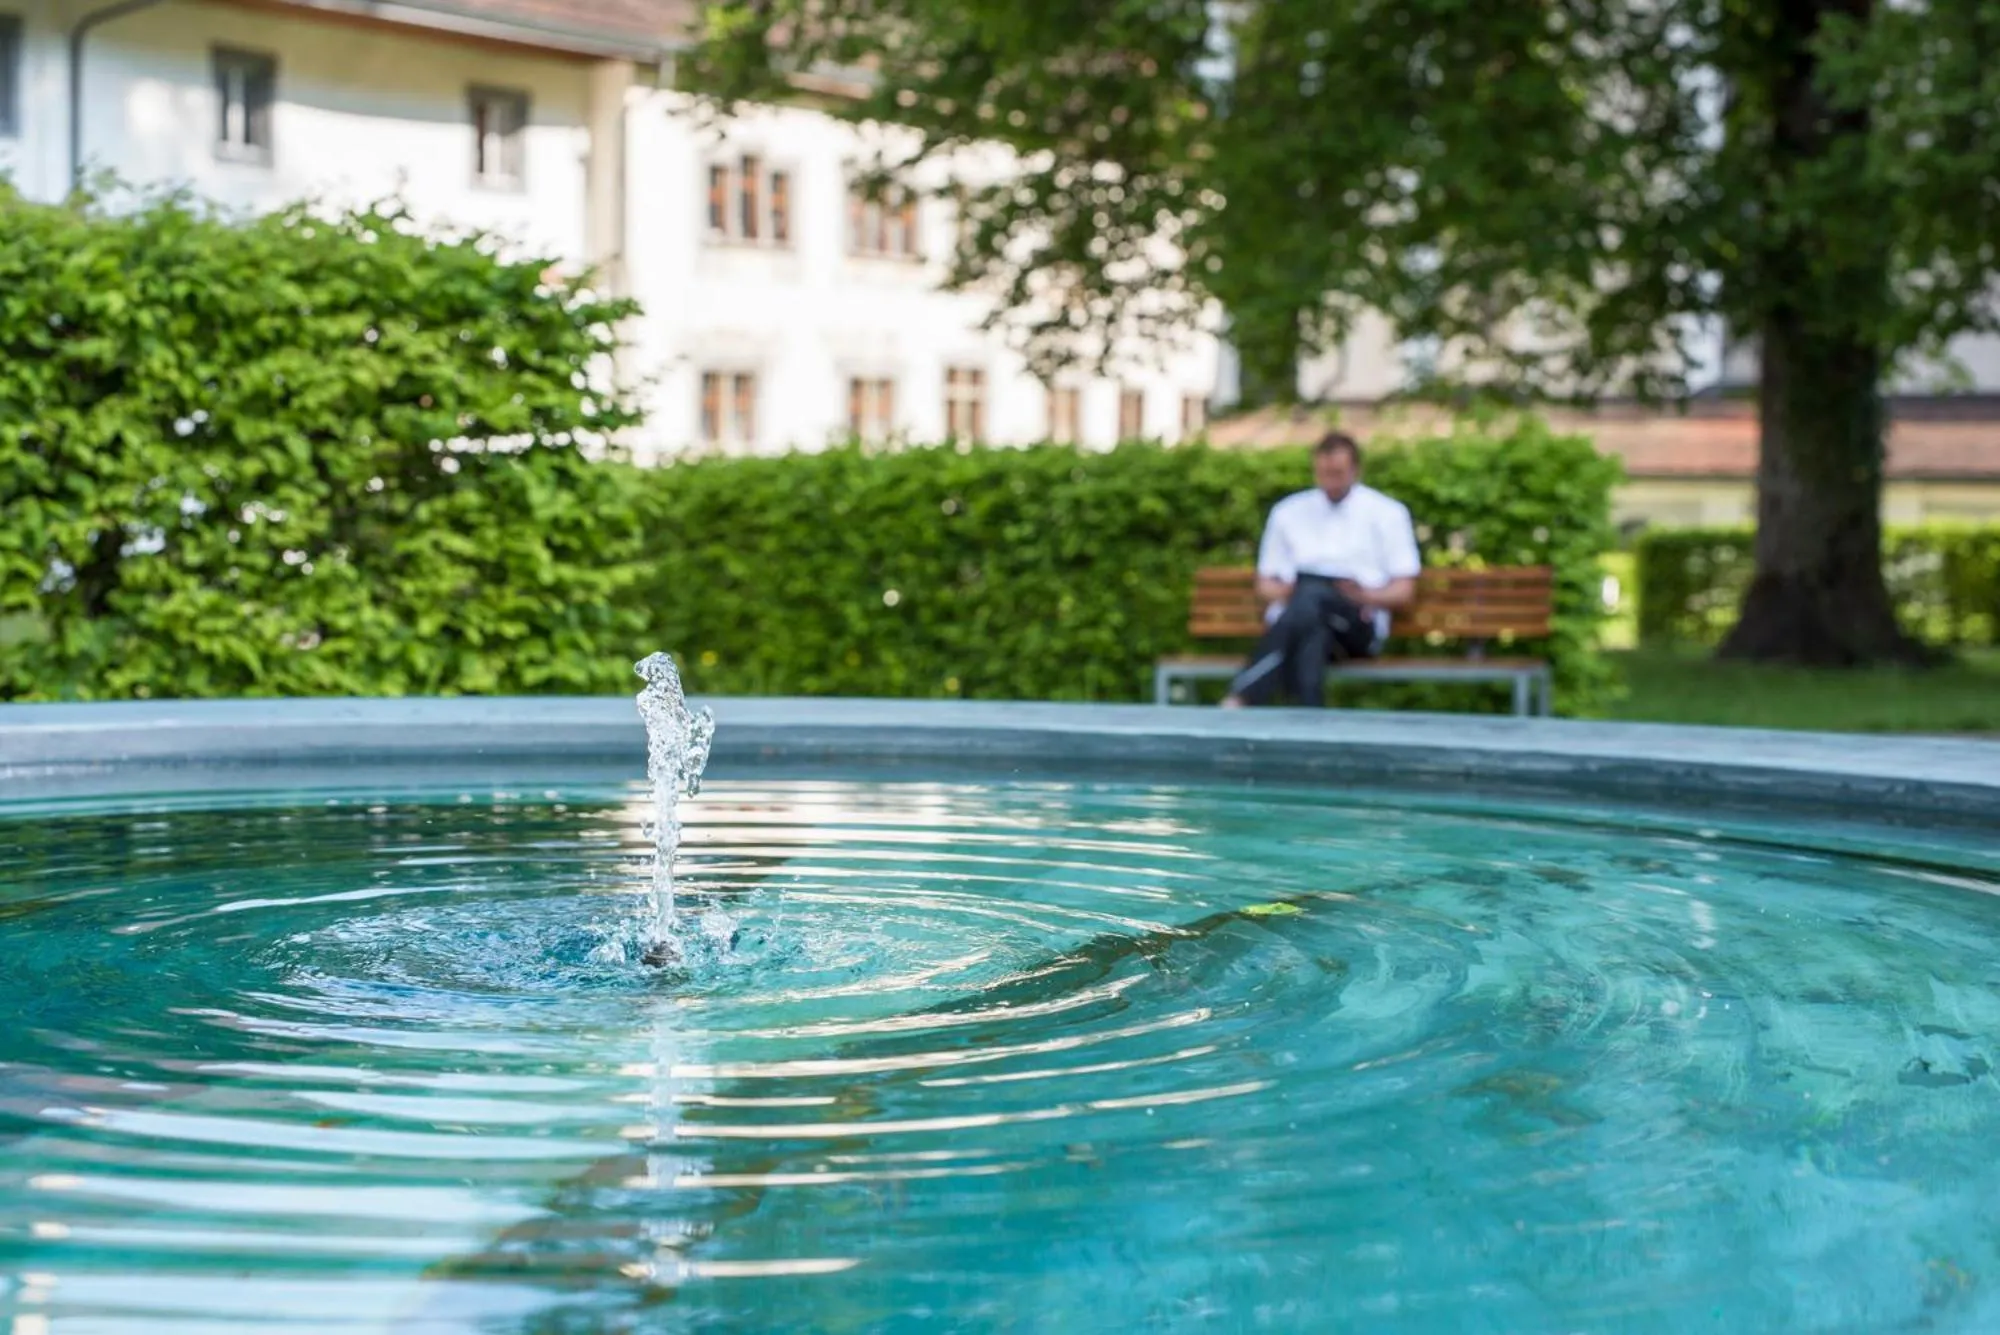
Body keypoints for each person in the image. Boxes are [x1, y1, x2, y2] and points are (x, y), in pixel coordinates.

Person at [1221, 431, 1422, 708]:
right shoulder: (1288, 511)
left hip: (1355, 625)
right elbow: (1265, 586)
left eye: (1337, 473)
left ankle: (1242, 696)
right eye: (1323, 474)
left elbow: (1404, 591)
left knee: (1312, 599)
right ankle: (1310, 721)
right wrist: (1291, 591)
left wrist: (1362, 596)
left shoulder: (1387, 513)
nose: (1330, 482)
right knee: (1313, 626)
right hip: (1308, 621)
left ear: (1356, 470)